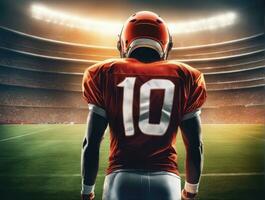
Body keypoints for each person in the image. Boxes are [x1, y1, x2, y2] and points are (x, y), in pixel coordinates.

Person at [81, 11, 207, 200]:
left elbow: (91, 143)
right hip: (166, 180)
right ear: (166, 44)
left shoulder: (103, 73)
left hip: (120, 177)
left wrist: (86, 190)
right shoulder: (186, 76)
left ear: (122, 43)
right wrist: (191, 189)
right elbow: (195, 145)